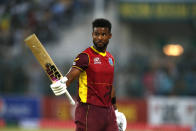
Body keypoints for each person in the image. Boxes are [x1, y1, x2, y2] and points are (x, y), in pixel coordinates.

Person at [50, 18, 126, 131]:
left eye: (103, 34)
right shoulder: (85, 56)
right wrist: (63, 83)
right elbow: (71, 75)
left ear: (109, 36)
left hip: (108, 113)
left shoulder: (111, 58)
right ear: (92, 35)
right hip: (89, 111)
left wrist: (115, 110)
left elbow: (110, 86)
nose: (99, 38)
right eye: (96, 34)